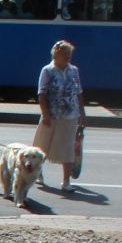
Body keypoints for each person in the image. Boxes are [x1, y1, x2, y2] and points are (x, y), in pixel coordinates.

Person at [34, 40, 83, 194]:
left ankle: (66, 182)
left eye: (69, 53)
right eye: (64, 53)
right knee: (42, 146)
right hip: (51, 114)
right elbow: (41, 94)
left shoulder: (73, 70)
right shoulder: (47, 70)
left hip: (70, 115)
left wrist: (82, 113)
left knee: (67, 147)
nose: (67, 56)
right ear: (55, 55)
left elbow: (79, 92)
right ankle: (38, 173)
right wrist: (45, 114)